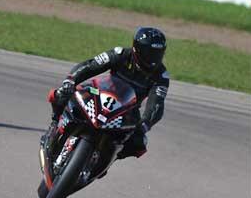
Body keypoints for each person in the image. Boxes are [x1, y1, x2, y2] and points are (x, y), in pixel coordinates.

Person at [44, 27, 169, 160]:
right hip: (99, 94)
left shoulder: (161, 75)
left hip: (127, 111)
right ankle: (55, 124)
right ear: (136, 48)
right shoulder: (120, 54)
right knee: (63, 93)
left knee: (139, 143)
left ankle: (106, 158)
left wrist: (144, 125)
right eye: (148, 52)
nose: (152, 58)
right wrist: (70, 81)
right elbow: (90, 66)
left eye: (157, 53)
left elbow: (156, 105)